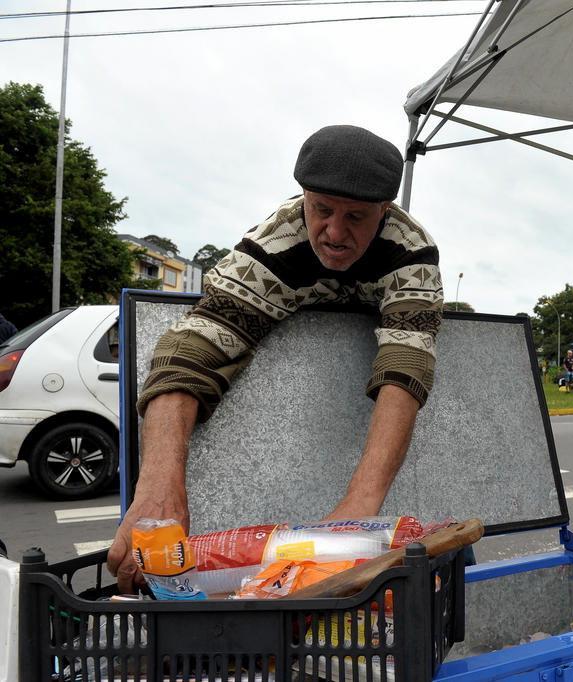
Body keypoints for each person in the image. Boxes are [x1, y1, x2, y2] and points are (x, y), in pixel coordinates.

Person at [106, 125, 443, 593]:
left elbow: (405, 368)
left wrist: (358, 511)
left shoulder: (413, 251)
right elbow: (190, 352)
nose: (335, 232)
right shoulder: (272, 245)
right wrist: (158, 485)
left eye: (357, 217)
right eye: (321, 210)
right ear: (303, 196)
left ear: (385, 211)